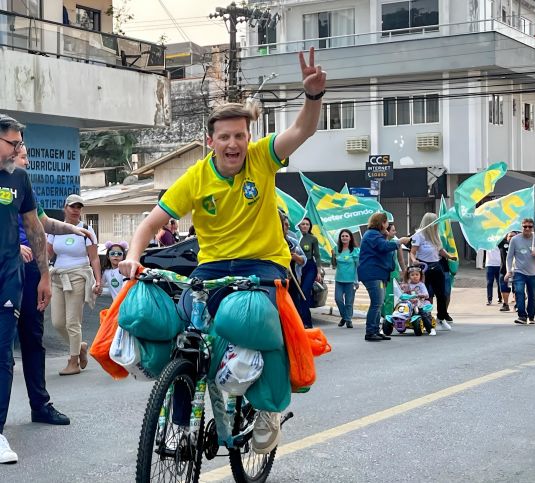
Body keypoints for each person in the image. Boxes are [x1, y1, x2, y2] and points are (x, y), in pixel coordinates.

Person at [118, 48, 327, 456]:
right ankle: (179, 424)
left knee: (257, 328)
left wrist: (312, 98)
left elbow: (301, 131)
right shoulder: (195, 178)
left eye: (240, 136)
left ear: (248, 139)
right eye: (225, 137)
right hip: (211, 268)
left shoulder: (263, 159)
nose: (233, 144)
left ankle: (266, 410)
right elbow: (149, 224)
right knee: (186, 340)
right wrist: (133, 256)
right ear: (210, 141)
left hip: (263, 265)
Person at [0, 115, 73, 462]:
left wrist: (44, 275)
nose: (19, 151)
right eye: (14, 144)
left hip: (14, 277)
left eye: (21, 146)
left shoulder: (20, 179)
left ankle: (25, 414)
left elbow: (38, 226)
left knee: (12, 350)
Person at [12, 144, 87, 432]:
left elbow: (43, 224)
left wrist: (73, 229)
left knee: (33, 339)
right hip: (6, 267)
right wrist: (11, 247)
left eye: (27, 153)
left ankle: (40, 405)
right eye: (22, 154)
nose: (27, 159)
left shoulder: (25, 188)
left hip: (31, 271)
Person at [47, 194, 101, 376]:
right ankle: (81, 347)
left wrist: (98, 281)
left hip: (78, 275)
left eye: (79, 207)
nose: (76, 209)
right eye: (72, 206)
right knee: (57, 322)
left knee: (72, 322)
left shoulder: (86, 230)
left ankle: (73, 361)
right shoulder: (55, 230)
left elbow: (94, 258)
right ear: (65, 208)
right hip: (58, 277)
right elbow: (47, 255)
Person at [357, 212, 411, 342]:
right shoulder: (372, 235)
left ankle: (375, 330)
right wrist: (399, 242)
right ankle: (370, 331)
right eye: (386, 223)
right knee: (376, 303)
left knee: (378, 303)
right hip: (373, 274)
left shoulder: (375, 235)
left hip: (377, 274)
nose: (388, 226)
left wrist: (387, 237)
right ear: (382, 223)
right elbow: (384, 247)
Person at [410, 213, 457, 330]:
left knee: (441, 294)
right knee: (424, 294)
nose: (437, 225)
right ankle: (424, 317)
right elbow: (412, 251)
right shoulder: (419, 235)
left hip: (436, 266)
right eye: (435, 222)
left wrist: (450, 257)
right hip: (423, 266)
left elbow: (441, 250)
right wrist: (414, 260)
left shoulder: (436, 235)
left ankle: (441, 318)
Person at [503, 218, 535, 325]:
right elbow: (509, 257)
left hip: (533, 272)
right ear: (521, 227)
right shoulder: (515, 239)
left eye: (529, 227)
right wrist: (508, 271)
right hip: (519, 271)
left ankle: (531, 316)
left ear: (533, 228)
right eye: (525, 226)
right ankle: (522, 316)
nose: (527, 228)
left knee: (532, 296)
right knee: (519, 292)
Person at [296, 217, 322, 328]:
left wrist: (319, 271)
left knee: (305, 292)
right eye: (303, 224)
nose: (305, 226)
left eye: (307, 224)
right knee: (296, 294)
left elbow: (317, 256)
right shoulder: (294, 237)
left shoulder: (312, 239)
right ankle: (298, 321)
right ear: (299, 226)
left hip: (310, 267)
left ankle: (307, 322)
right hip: (297, 267)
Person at [332, 229, 359, 329]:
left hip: (351, 281)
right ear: (340, 238)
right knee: (338, 299)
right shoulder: (336, 249)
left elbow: (357, 267)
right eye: (342, 236)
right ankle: (345, 316)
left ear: (350, 238)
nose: (344, 238)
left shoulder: (355, 251)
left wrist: (356, 281)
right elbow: (333, 265)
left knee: (349, 302)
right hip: (339, 280)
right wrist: (332, 256)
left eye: (346, 236)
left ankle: (348, 320)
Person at [400, 266, 434, 335]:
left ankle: (430, 328)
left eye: (417, 275)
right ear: (408, 276)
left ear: (420, 276)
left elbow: (426, 294)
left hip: (420, 303)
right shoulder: (407, 285)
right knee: (400, 309)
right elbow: (402, 292)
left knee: (422, 314)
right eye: (412, 275)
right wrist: (402, 289)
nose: (415, 277)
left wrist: (420, 295)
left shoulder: (421, 285)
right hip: (409, 303)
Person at [496, 231, 516, 312]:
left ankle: (517, 305)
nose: (511, 238)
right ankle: (505, 304)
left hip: (517, 270)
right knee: (504, 288)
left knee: (517, 289)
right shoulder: (502, 244)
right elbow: (497, 238)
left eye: (513, 236)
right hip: (504, 270)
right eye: (510, 236)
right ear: (506, 237)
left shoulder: (519, 244)